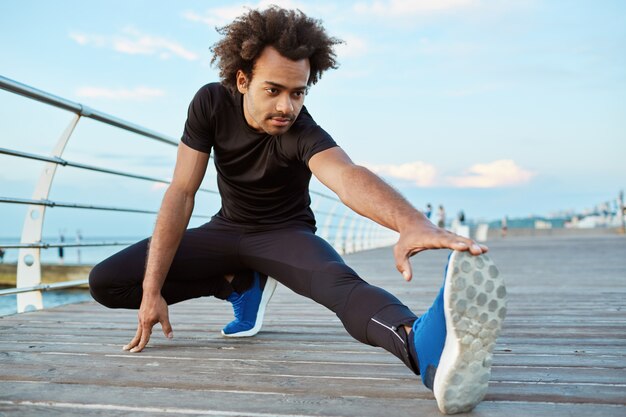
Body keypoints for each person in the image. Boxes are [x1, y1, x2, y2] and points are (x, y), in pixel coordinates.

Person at [88, 7, 506, 414]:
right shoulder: (210, 104)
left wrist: (410, 222)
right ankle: (238, 284)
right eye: (273, 90)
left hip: (283, 234)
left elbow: (346, 176)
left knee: (337, 284)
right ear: (242, 80)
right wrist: (151, 289)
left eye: (298, 92)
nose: (287, 107)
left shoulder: (300, 131)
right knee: (108, 283)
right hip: (225, 229)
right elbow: (181, 192)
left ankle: (422, 344)